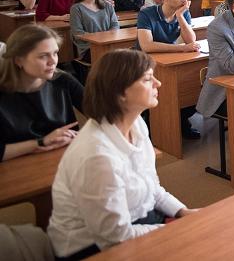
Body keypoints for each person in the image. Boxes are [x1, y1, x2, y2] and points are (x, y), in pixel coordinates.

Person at [48, 50, 196, 259]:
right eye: (147, 79)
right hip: (90, 248)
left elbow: (152, 189)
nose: (158, 83)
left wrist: (183, 212)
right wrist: (174, 230)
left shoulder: (136, 123)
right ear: (120, 93)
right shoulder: (97, 156)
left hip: (138, 221)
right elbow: (116, 238)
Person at [0, 24, 83, 162]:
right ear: (18, 60)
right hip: (17, 166)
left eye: (55, 53)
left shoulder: (63, 80)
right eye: (43, 56)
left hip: (65, 159)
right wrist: (40, 142)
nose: (53, 61)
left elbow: (100, 113)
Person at [136, 0, 200, 139]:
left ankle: (181, 121)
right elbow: (147, 46)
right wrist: (181, 48)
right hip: (144, 64)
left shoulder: (183, 12)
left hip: (167, 59)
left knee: (190, 86)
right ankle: (154, 125)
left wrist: (180, 16)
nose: (184, 0)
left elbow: (191, 40)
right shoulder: (147, 13)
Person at [70, 0, 119, 66]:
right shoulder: (76, 8)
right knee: (112, 59)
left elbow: (115, 25)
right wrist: (100, 40)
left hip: (109, 43)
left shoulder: (107, 5)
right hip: (89, 48)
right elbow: (78, 33)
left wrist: (107, 40)